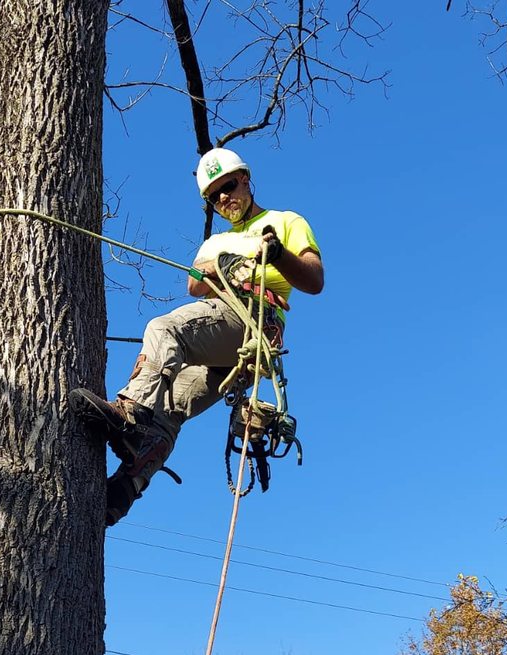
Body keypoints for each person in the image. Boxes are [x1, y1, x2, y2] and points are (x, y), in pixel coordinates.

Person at [71, 147, 324, 525]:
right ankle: (127, 487)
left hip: (253, 322)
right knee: (171, 406)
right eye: (215, 196)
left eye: (230, 186)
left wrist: (276, 254)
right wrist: (224, 262)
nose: (225, 198)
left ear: (246, 180)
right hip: (228, 339)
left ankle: (130, 413)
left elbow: (314, 279)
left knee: (165, 329)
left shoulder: (284, 222)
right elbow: (194, 283)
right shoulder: (215, 242)